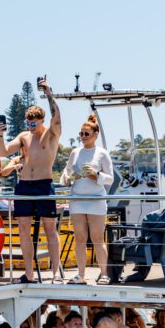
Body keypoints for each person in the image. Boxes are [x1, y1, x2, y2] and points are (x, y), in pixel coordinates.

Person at [0, 78, 62, 283]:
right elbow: (4, 151)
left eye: (33, 123)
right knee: (23, 229)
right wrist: (0, 135)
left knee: (50, 229)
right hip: (24, 185)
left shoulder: (51, 134)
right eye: (28, 123)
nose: (30, 126)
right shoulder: (24, 136)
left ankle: (55, 274)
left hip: (44, 184)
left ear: (42, 121)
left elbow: (57, 117)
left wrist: (49, 93)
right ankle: (29, 273)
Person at [60, 113, 114, 285]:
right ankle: (80, 275)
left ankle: (104, 274)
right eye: (81, 134)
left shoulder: (102, 153)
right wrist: (69, 178)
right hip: (77, 200)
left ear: (95, 135)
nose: (83, 137)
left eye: (86, 134)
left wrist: (96, 175)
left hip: (96, 200)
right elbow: (65, 175)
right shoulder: (75, 152)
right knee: (80, 238)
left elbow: (111, 178)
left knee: (98, 238)